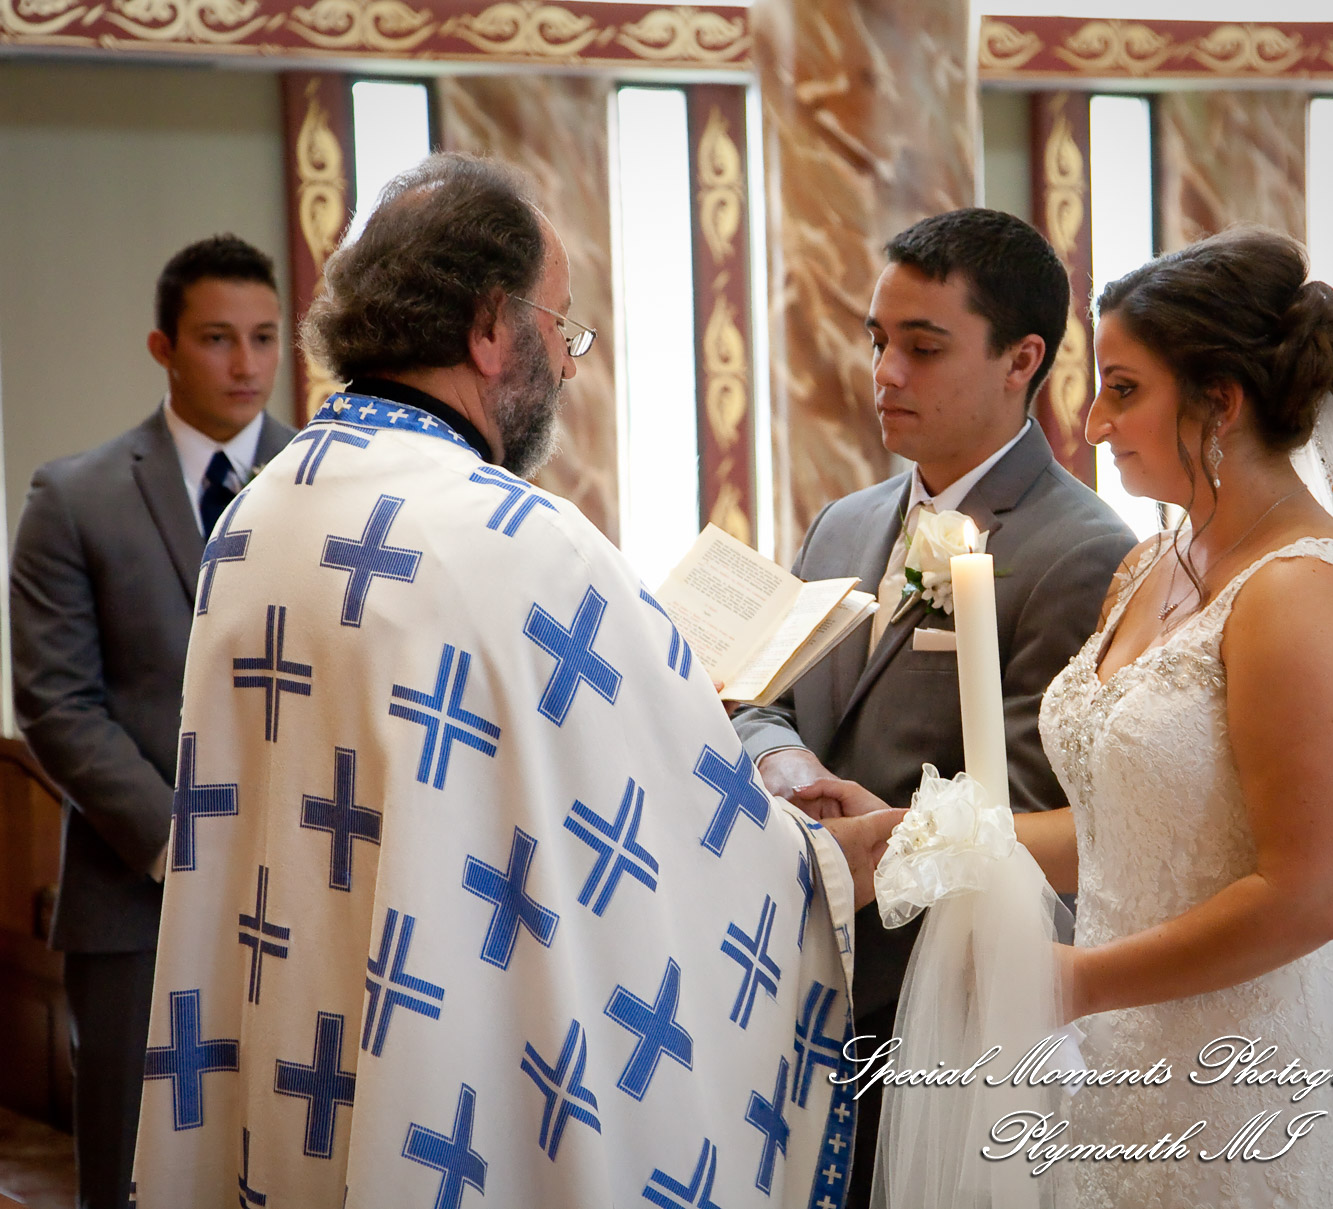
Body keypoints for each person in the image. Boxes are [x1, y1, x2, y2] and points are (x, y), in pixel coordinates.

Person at [131, 153, 903, 1207]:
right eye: (561, 326)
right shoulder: (516, 540)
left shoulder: (262, 511)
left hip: (294, 1032)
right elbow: (669, 854)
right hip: (449, 1066)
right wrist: (822, 865)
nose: (570, 364)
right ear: (492, 327)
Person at [815, 229, 1333, 1207]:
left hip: (1243, 1089)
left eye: (1122, 389)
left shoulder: (1300, 597)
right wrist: (916, 842)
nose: (1088, 424)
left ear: (1220, 401)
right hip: (1110, 1068)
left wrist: (1074, 982)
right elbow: (1119, 833)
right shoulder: (1150, 567)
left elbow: (1307, 896)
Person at [732, 207, 1135, 1204]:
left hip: (933, 1003)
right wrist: (789, 771)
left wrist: (871, 834)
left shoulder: (1080, 550)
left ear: (1019, 360)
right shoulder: (844, 520)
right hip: (788, 972)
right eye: (878, 341)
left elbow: (1033, 803)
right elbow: (753, 699)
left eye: (921, 346)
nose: (883, 373)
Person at [9, 234, 296, 1209]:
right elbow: (55, 702)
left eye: (263, 337)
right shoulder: (76, 497)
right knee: (135, 1176)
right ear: (162, 347)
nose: (246, 364)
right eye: (217, 338)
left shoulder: (331, 489)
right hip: (136, 899)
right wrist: (188, 847)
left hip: (304, 890)